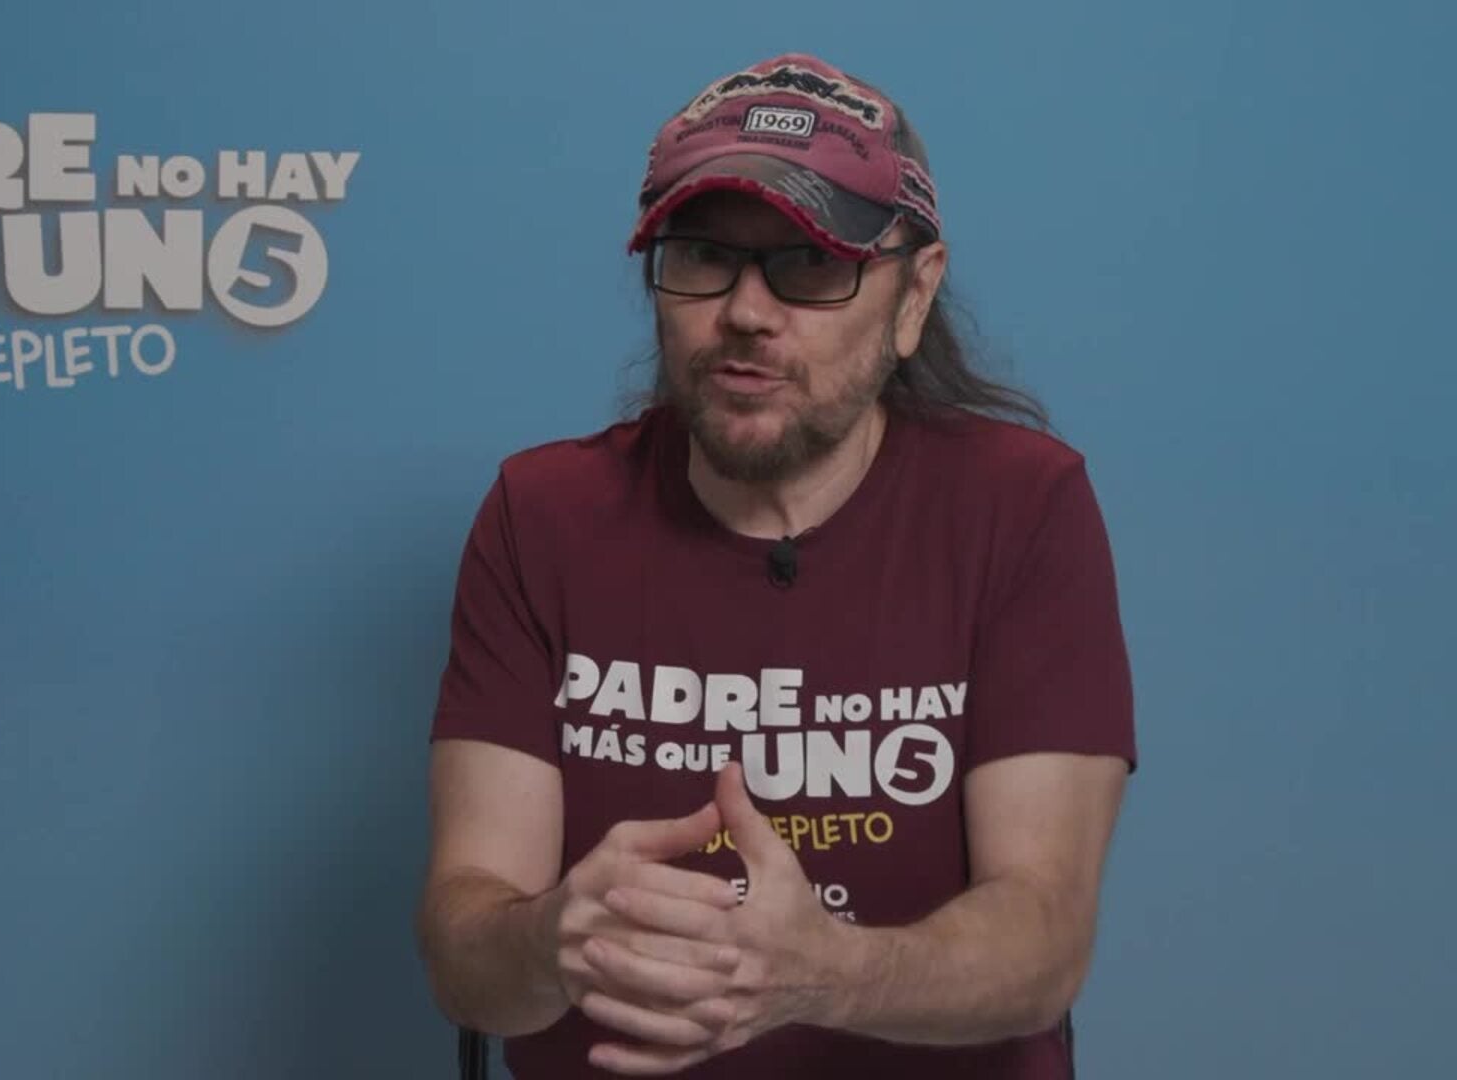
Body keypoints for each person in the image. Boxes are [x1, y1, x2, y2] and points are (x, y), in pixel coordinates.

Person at [416, 50, 1135, 1079]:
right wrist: (549, 940)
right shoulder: (542, 516)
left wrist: (826, 973)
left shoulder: (1021, 507)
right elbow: (466, 951)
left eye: (810, 264)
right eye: (703, 255)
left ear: (915, 294)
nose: (747, 312)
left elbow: (1044, 941)